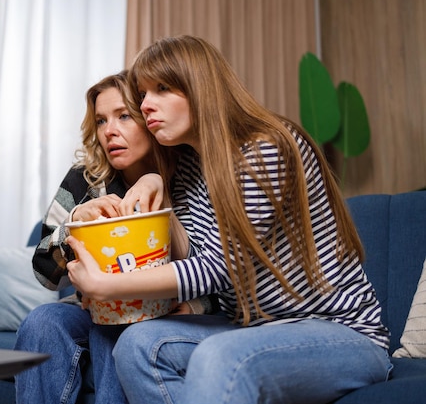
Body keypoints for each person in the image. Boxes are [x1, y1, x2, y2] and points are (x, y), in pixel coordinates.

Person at [65, 35, 392, 404]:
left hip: (338, 332)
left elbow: (219, 267)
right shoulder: (188, 165)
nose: (146, 106)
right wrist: (153, 179)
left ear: (200, 87)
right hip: (251, 328)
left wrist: (106, 287)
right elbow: (188, 258)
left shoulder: (266, 149)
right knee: (136, 346)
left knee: (218, 356)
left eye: (162, 89)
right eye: (142, 94)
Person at [14, 71, 215, 404]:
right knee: (43, 320)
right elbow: (44, 272)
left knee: (120, 326)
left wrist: (197, 305)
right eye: (101, 120)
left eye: (124, 116)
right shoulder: (85, 179)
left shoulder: (190, 176)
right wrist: (74, 223)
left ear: (149, 117)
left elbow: (224, 272)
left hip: (167, 314)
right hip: (95, 310)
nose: (110, 131)